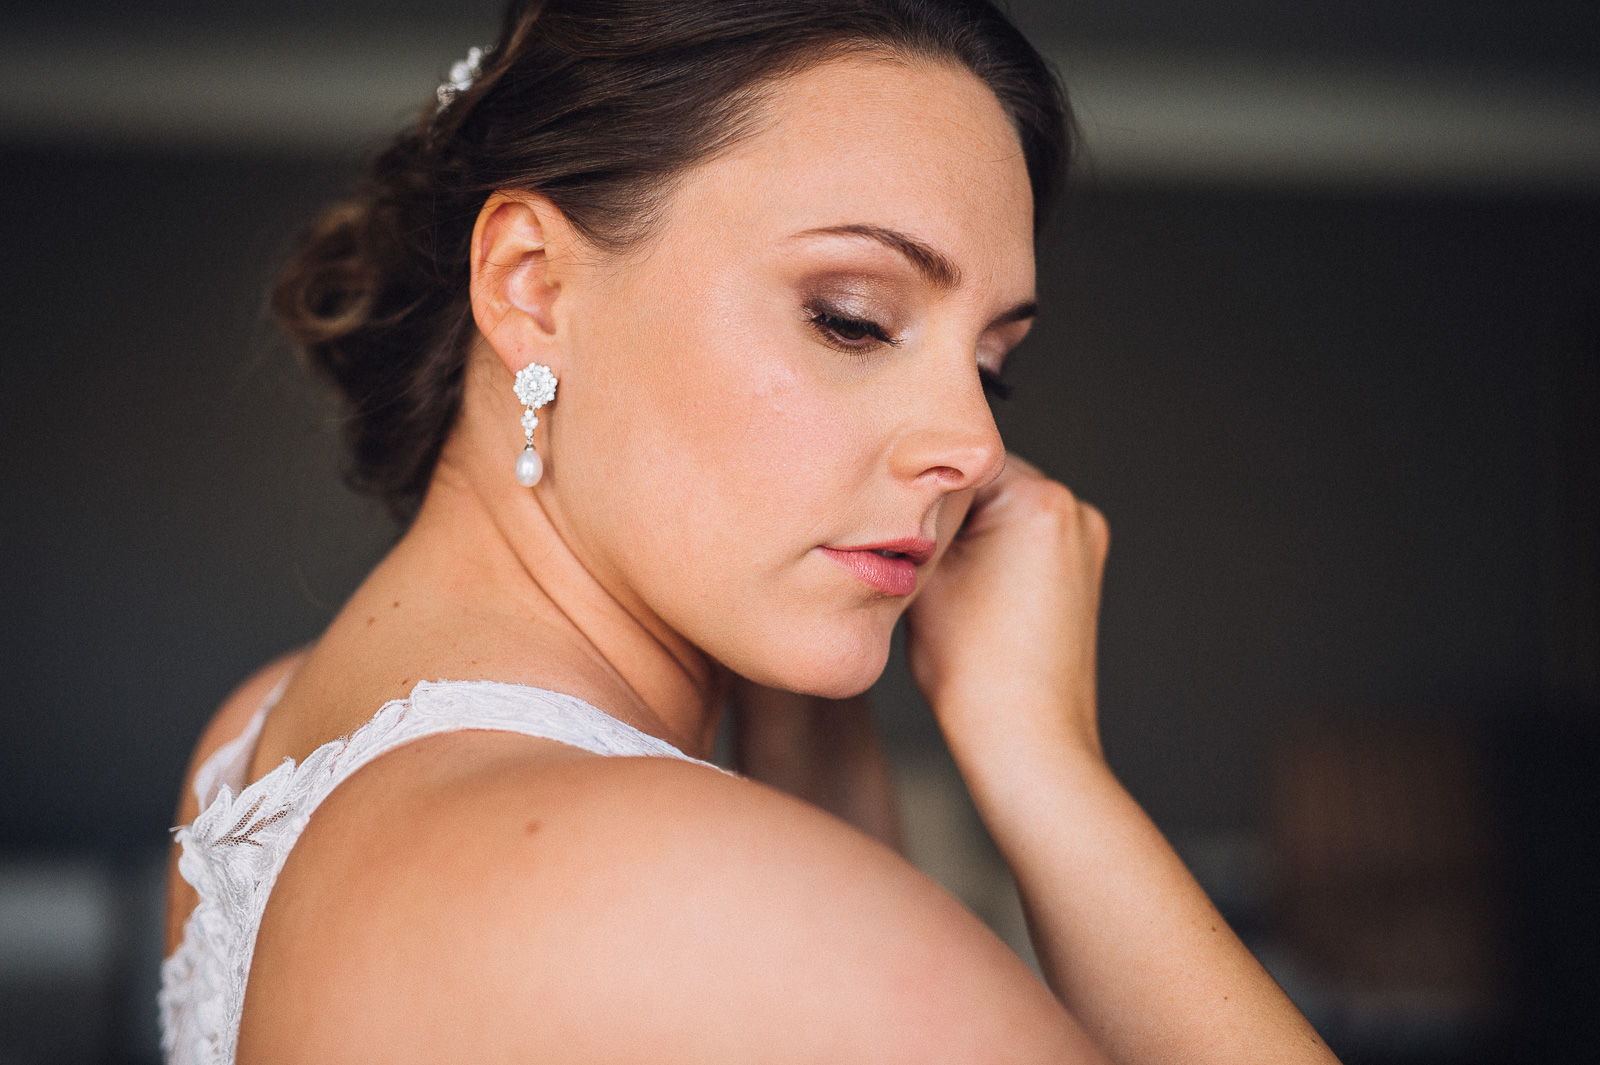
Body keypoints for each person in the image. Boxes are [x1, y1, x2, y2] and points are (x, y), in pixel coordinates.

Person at [159, 1, 1338, 1061]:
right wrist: (1047, 761)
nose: (976, 447)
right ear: (531, 285)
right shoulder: (704, 900)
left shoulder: (258, 744)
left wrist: (805, 710)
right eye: (852, 319)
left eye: (991, 368)